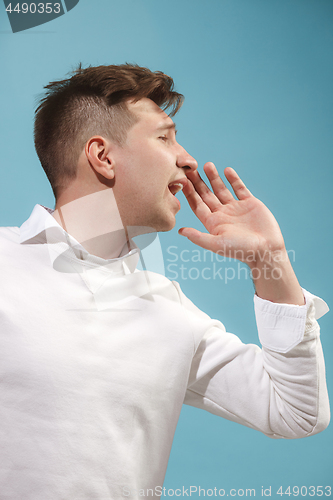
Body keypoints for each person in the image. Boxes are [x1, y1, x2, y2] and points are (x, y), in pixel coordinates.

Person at [0, 63, 329, 500]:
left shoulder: (171, 313)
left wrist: (269, 261)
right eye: (164, 137)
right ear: (102, 156)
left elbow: (297, 413)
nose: (187, 158)